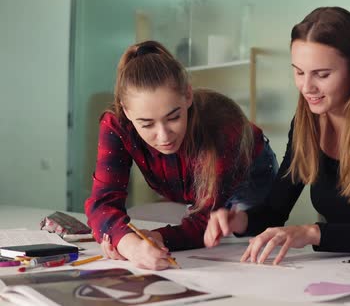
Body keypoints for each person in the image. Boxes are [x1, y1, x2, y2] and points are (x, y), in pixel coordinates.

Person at [203, 6, 350, 265]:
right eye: (299, 72)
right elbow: (275, 211)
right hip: (335, 268)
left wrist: (312, 233)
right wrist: (238, 220)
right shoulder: (304, 123)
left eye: (322, 75)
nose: (306, 87)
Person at [84, 40, 278, 270]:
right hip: (194, 186)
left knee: (253, 235)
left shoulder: (224, 129)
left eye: (173, 117)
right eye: (147, 124)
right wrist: (127, 243)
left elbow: (202, 223)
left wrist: (155, 239)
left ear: (187, 95)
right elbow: (103, 203)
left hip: (250, 175)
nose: (164, 136)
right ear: (126, 111)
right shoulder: (116, 125)